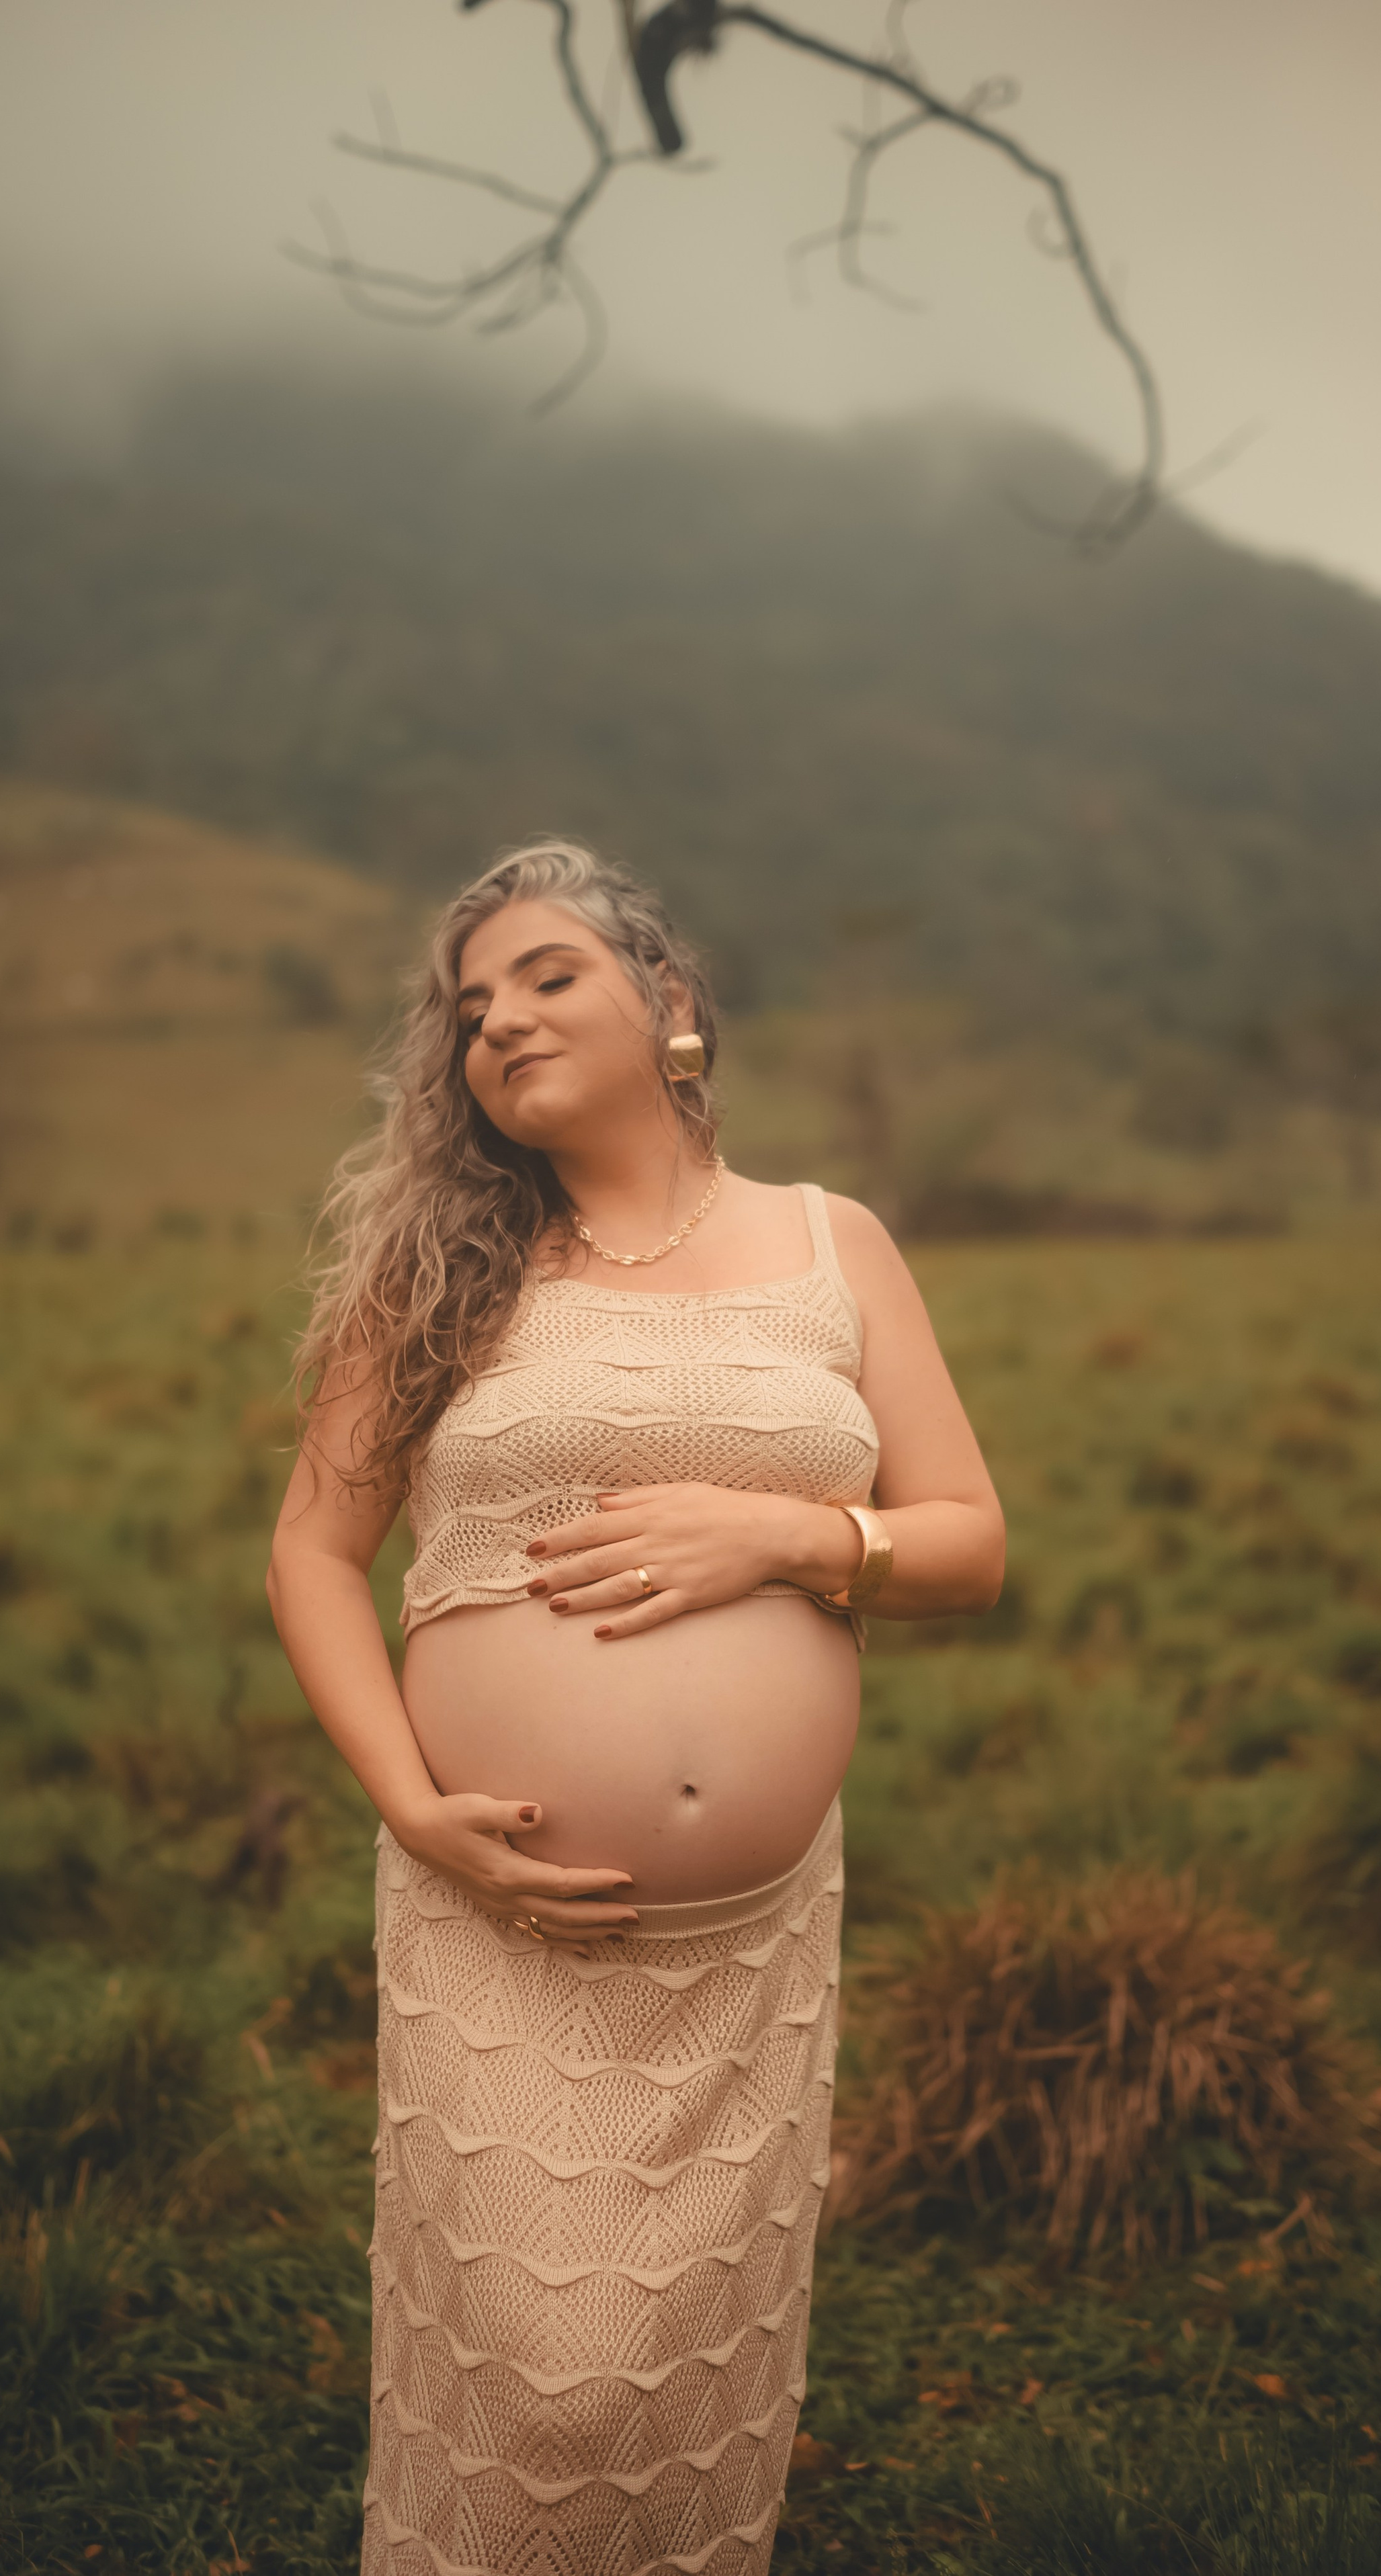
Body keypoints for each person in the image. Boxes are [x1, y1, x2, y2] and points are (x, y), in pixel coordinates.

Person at [267, 839, 1004, 2576]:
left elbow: (970, 1543)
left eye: (546, 976)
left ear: (668, 1006)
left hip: (749, 1946)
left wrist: (787, 1532)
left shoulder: (837, 1244)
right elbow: (312, 1552)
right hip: (502, 1919)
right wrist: (406, 1799)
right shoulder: (446, 1263)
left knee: (675, 2387)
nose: (499, 1023)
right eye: (469, 1009)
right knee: (548, 2381)